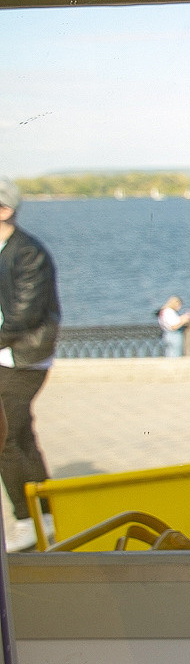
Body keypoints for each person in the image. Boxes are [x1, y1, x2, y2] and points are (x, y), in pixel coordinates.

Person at [0, 177, 60, 553]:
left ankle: (27, 520)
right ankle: (48, 514)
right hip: (6, 355)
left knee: (5, 435)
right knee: (20, 435)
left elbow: (23, 316)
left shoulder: (27, 253)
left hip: (23, 358)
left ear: (5, 210)